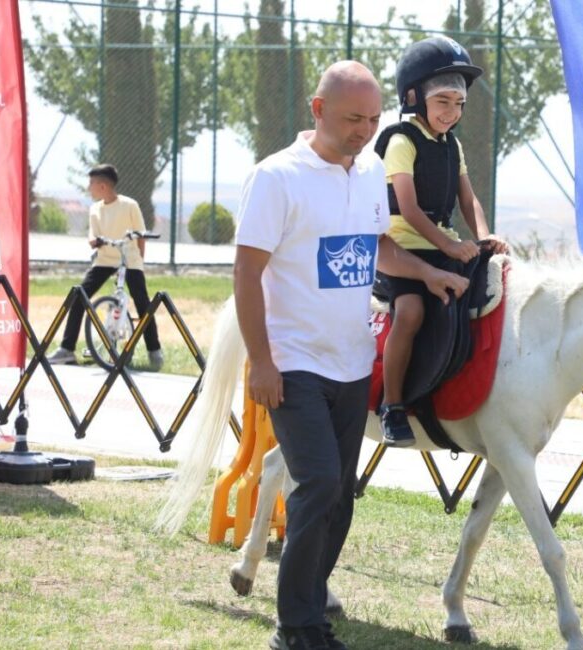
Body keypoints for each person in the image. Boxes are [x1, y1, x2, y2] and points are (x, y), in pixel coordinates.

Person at [234, 61, 469, 650]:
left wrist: (428, 273)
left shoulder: (369, 172)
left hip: (353, 361)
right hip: (293, 364)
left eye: (372, 119)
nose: (365, 131)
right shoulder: (276, 177)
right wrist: (261, 361)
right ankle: (293, 628)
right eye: (352, 119)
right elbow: (246, 272)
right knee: (316, 483)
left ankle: (311, 617)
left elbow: (377, 246)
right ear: (318, 110)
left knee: (339, 496)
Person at [374, 35, 510, 448]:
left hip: (443, 244)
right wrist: (450, 247)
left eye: (459, 103)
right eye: (443, 101)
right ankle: (392, 405)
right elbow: (410, 209)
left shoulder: (453, 145)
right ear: (413, 97)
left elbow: (468, 200)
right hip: (404, 250)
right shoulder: (401, 142)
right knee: (411, 311)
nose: (452, 112)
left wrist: (484, 236)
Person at [47, 164, 162, 370]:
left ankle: (154, 351)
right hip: (105, 259)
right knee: (79, 296)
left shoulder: (130, 205)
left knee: (142, 302)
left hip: (129, 258)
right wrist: (93, 241)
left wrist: (139, 263)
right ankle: (67, 349)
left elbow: (141, 236)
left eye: (91, 183)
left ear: (102, 186)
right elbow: (93, 234)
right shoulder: (95, 209)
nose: (88, 188)